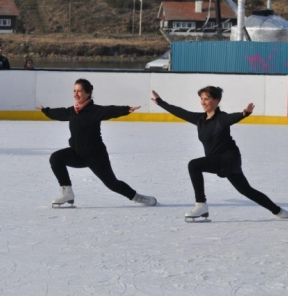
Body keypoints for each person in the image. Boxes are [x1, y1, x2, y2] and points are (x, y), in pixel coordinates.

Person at [151, 86, 288, 220]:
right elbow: (180, 112)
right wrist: (161, 102)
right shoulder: (200, 119)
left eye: (207, 99)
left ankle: (201, 204)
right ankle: (278, 211)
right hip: (218, 159)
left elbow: (232, 118)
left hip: (229, 158)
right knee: (246, 190)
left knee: (194, 165)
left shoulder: (221, 118)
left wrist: (244, 113)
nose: (203, 102)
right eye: (202, 99)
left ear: (216, 101)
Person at [36, 78, 157, 207]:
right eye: (74, 90)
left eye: (79, 91)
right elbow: (60, 113)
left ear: (88, 93)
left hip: (96, 157)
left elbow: (109, 110)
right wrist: (46, 111)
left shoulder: (95, 111)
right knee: (56, 158)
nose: (76, 94)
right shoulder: (72, 111)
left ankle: (137, 197)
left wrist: (126, 109)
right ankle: (67, 192)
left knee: (113, 184)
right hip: (77, 154)